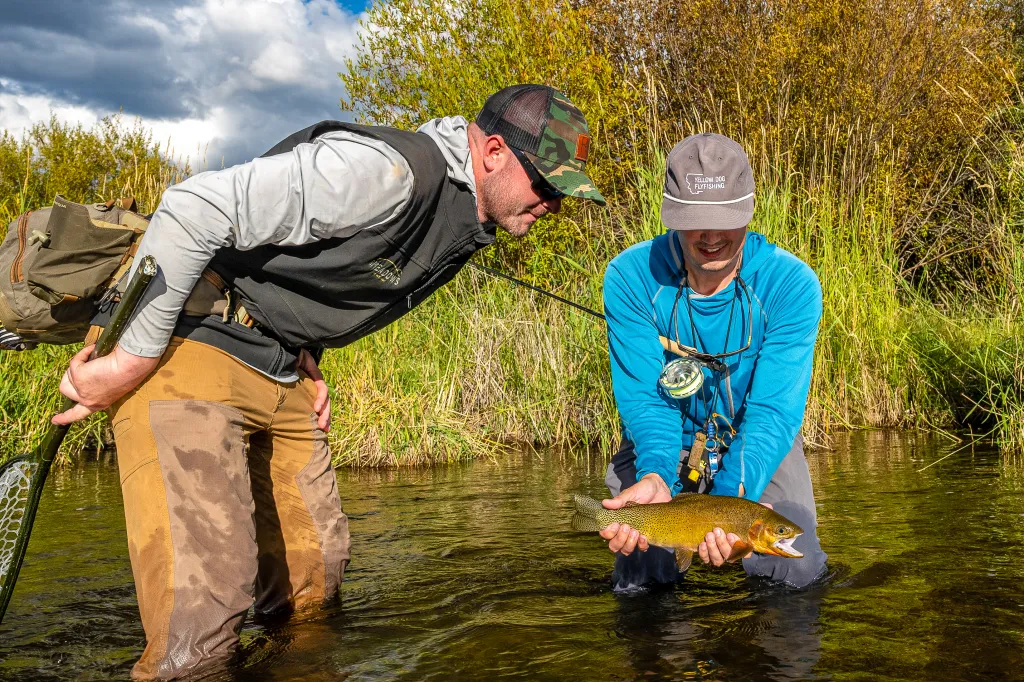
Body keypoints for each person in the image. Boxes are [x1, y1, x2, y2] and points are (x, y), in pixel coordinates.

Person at [51, 84, 605, 679]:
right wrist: (130, 361)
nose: (553, 202)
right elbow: (192, 208)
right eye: (546, 184)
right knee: (200, 627)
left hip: (278, 361)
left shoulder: (467, 215)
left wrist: (308, 351)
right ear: (493, 151)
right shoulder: (386, 171)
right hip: (187, 344)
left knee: (313, 596)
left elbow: (312, 273)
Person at [597, 132, 827, 591]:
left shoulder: (791, 285)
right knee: (643, 572)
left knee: (796, 570)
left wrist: (728, 508)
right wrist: (657, 476)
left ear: (748, 211)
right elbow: (646, 402)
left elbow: (772, 414)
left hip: (755, 439)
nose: (711, 237)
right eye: (696, 221)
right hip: (662, 443)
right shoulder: (630, 277)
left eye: (725, 220)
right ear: (673, 217)